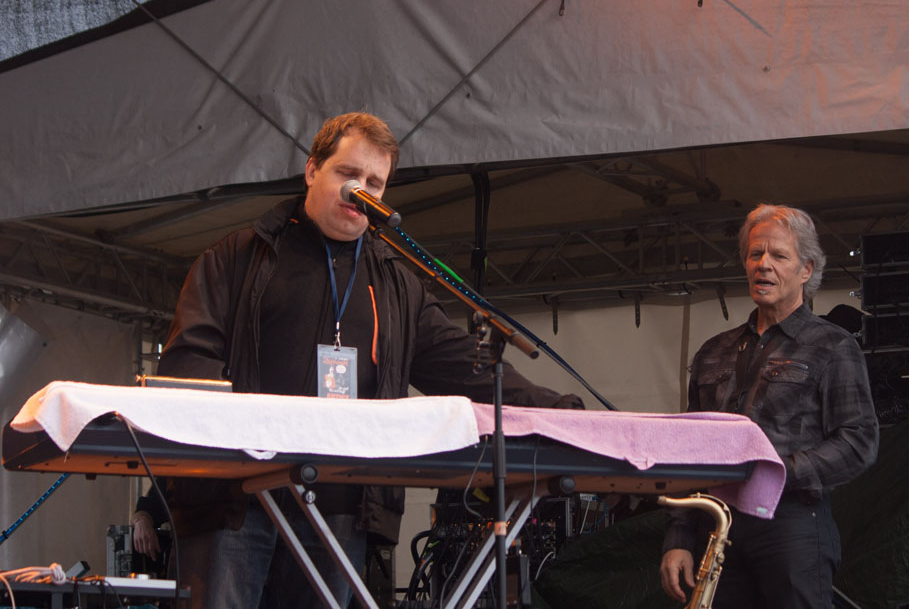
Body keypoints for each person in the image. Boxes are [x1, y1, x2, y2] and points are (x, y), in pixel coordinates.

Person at [130, 112, 583, 608]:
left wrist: (554, 410)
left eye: (374, 182)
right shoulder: (236, 258)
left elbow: (464, 366)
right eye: (348, 174)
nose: (360, 190)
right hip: (236, 503)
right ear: (312, 170)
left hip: (338, 507)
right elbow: (188, 363)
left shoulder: (396, 284)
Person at [659, 204, 879, 608]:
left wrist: (774, 473)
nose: (764, 264)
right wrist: (678, 538)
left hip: (793, 523)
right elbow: (688, 451)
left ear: (806, 270)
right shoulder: (714, 350)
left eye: (779, 255)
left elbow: (858, 441)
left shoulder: (833, 345)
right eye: (755, 254)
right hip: (717, 526)